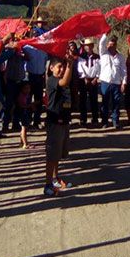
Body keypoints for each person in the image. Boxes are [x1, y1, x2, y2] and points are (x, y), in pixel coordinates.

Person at [44, 56, 75, 196]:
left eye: (63, 66)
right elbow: (63, 82)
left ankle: (55, 178)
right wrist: (70, 64)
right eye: (59, 67)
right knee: (52, 155)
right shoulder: (51, 80)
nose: (61, 69)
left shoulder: (63, 80)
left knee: (58, 154)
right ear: (51, 68)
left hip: (64, 121)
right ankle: (47, 184)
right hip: (55, 122)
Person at [98, 33, 127, 129]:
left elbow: (123, 70)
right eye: (109, 44)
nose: (110, 46)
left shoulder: (121, 57)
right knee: (105, 103)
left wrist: (124, 82)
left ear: (116, 45)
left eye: (113, 45)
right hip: (105, 82)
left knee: (116, 103)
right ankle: (104, 121)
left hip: (116, 83)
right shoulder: (103, 53)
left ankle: (116, 122)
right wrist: (105, 34)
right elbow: (101, 43)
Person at [22, 42, 48, 130]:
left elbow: (45, 63)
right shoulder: (26, 48)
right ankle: (27, 122)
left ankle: (36, 121)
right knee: (28, 99)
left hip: (40, 77)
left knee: (39, 100)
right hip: (30, 76)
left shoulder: (44, 49)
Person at [77, 38, 101, 126]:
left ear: (92, 46)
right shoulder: (81, 57)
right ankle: (83, 119)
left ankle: (95, 119)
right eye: (86, 46)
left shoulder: (97, 57)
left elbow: (99, 68)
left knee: (94, 100)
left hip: (94, 80)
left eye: (90, 45)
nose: (88, 47)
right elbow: (80, 68)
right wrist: (84, 78)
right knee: (83, 100)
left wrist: (96, 77)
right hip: (84, 80)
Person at [15, 82, 36, 149]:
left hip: (26, 112)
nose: (27, 90)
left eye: (29, 88)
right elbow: (21, 105)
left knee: (24, 128)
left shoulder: (28, 95)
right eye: (25, 88)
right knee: (24, 128)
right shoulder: (21, 96)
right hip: (22, 113)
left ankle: (22, 142)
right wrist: (30, 105)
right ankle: (25, 144)